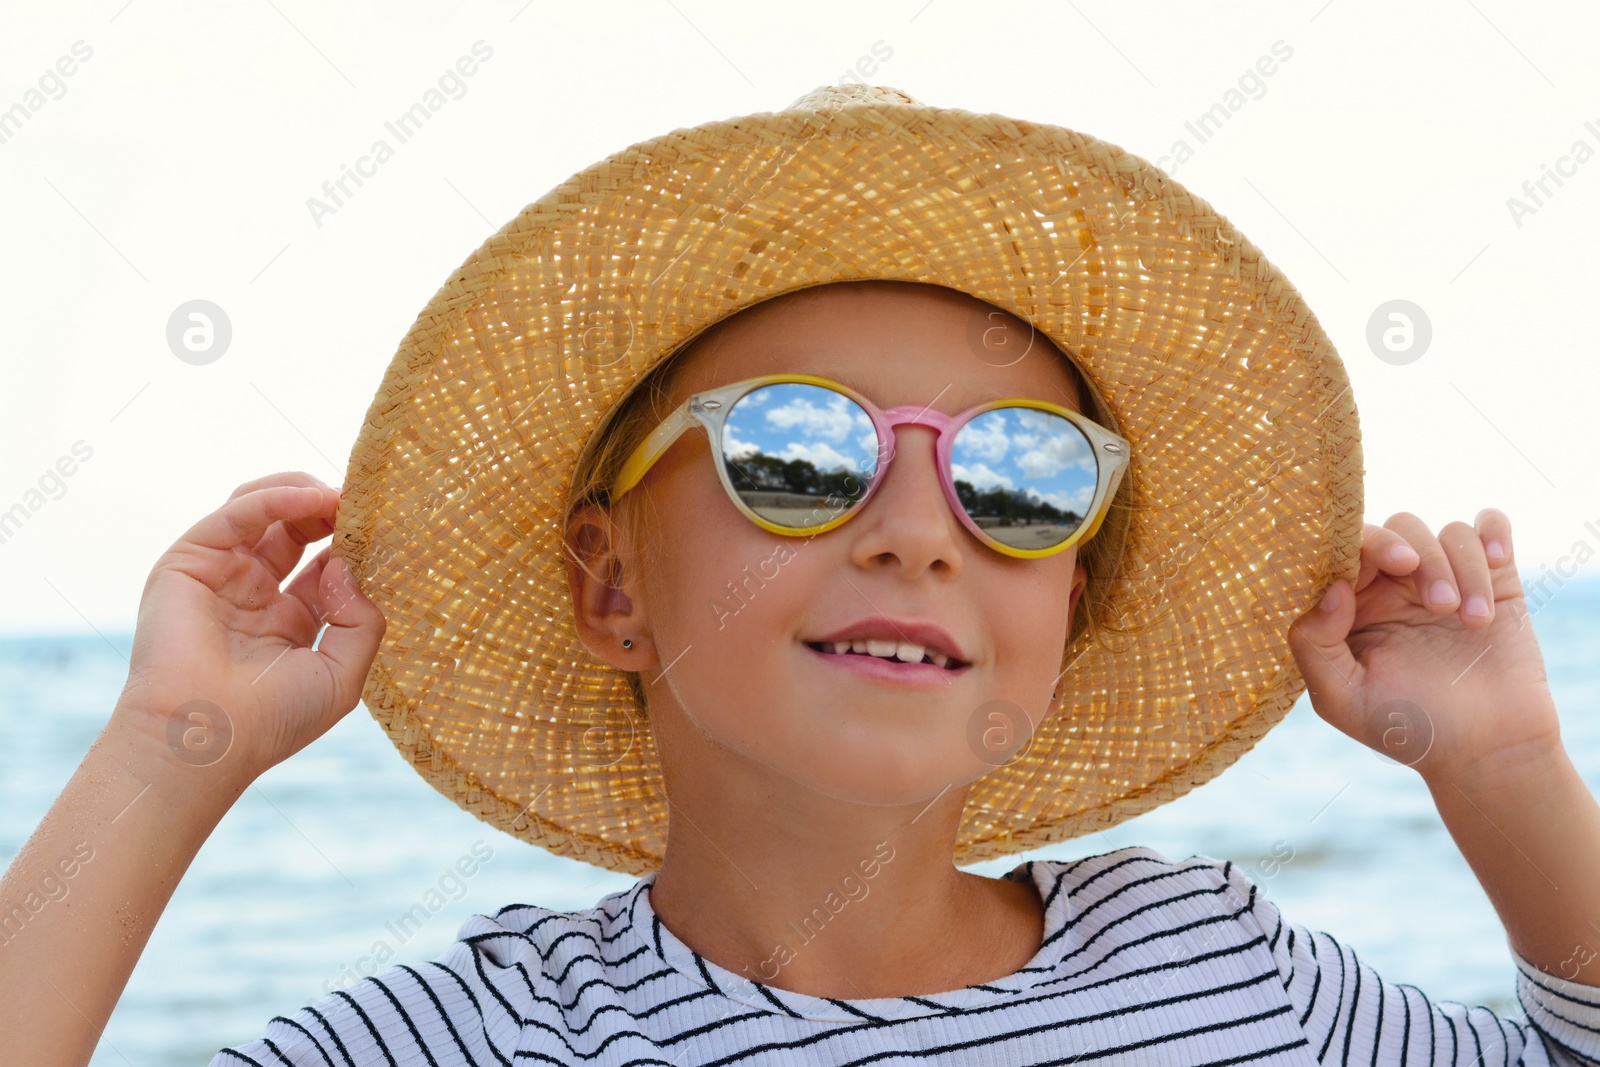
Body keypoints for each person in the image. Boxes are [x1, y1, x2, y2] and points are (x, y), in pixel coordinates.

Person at [4, 84, 1599, 1067]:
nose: (917, 528)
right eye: (797, 453)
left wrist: (1511, 771)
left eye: (1019, 478)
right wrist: (169, 749)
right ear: (610, 583)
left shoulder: (1212, 969)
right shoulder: (475, 1036)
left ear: (1074, 601)